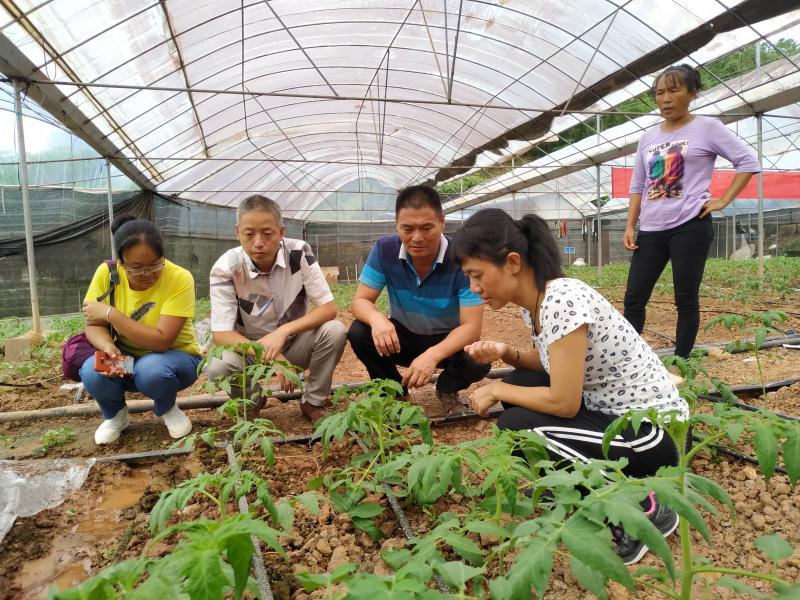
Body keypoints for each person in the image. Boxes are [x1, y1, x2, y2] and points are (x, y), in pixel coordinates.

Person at [452, 208, 689, 565]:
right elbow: (555, 361)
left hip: (654, 436)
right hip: (615, 418)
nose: (474, 288)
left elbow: (564, 402)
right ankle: (566, 485)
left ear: (513, 262)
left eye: (477, 275)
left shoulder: (561, 300)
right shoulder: (535, 303)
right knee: (521, 384)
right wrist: (509, 353)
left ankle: (642, 509)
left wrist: (497, 390)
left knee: (516, 426)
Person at [623, 64, 760, 357]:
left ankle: (682, 363)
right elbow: (637, 184)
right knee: (634, 298)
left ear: (692, 93)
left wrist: (723, 200)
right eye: (660, 93)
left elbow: (747, 162)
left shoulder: (707, 127)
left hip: (690, 226)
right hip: (651, 229)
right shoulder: (647, 137)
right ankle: (627, 361)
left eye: (674, 90)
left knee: (685, 299)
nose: (665, 99)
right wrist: (630, 225)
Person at [348, 185, 490, 414]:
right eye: (407, 228)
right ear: (397, 224)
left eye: (426, 228)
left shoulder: (462, 257)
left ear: (442, 222)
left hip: (448, 341)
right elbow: (360, 301)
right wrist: (377, 319)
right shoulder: (385, 249)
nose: (417, 238)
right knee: (359, 332)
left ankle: (447, 389)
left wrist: (433, 354)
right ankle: (394, 392)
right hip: (403, 337)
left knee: (479, 359)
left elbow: (472, 327)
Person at [204, 195, 345, 423]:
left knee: (335, 330)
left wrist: (283, 332)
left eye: (267, 234)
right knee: (217, 364)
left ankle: (313, 401)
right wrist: (273, 357)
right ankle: (252, 401)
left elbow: (328, 309)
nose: (258, 242)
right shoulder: (226, 268)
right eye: (249, 234)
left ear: (280, 232)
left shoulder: (299, 253)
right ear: (237, 232)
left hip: (295, 345)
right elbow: (221, 335)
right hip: (249, 353)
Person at [80, 215, 201, 445]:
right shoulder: (107, 274)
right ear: (121, 262)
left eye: (155, 264)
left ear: (163, 255)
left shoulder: (179, 278)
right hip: (128, 364)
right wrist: (108, 346)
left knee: (152, 370)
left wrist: (112, 314)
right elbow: (93, 324)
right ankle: (115, 416)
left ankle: (167, 407)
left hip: (176, 361)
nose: (148, 274)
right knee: (93, 370)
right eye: (137, 268)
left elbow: (162, 341)